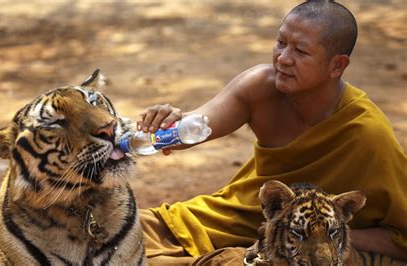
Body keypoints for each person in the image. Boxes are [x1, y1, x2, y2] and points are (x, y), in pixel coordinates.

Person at [136, 0, 407, 264]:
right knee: (110, 231)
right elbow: (195, 126)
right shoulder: (260, 88)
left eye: (300, 51)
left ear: (337, 65)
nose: (283, 59)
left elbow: (402, 240)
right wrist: (168, 121)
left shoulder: (367, 134)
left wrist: (320, 236)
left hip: (285, 253)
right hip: (211, 225)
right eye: (280, 43)